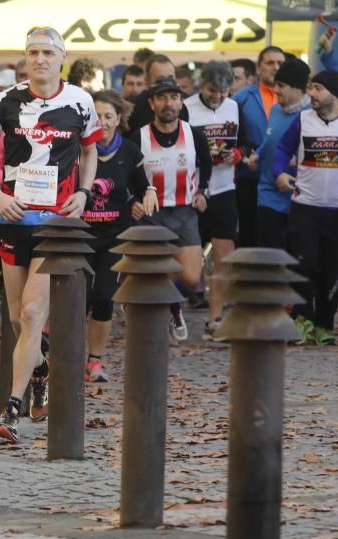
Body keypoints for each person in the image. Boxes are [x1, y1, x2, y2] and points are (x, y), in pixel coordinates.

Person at [0, 26, 101, 442]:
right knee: (15, 317)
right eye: (32, 52)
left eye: (47, 52)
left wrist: (83, 192)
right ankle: (41, 373)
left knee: (30, 314)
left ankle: (11, 411)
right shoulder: (7, 100)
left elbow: (90, 148)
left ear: (61, 57)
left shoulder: (80, 100)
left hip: (54, 224)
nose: (39, 58)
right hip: (13, 217)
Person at [274, 70, 338, 346]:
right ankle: (302, 320)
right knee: (305, 266)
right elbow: (282, 150)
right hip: (305, 207)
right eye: (310, 88)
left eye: (317, 88)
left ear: (334, 92)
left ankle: (324, 324)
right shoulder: (303, 119)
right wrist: (280, 174)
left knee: (333, 269)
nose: (311, 94)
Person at [136, 76, 212, 343]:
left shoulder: (195, 134)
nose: (169, 103)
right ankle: (171, 311)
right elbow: (128, 172)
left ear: (181, 103)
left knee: (191, 279)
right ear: (152, 103)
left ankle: (173, 304)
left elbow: (207, 164)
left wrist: (204, 191)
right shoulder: (140, 137)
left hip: (185, 212)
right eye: (162, 98)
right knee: (160, 270)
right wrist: (133, 201)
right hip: (151, 214)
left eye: (174, 97)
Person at [83, 90, 148, 382]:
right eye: (96, 116)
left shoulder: (130, 151)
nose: (102, 122)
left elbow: (142, 185)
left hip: (114, 236)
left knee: (104, 297)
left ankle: (94, 360)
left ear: (118, 119)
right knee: (76, 298)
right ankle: (62, 356)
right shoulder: (78, 148)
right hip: (80, 235)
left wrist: (141, 199)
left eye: (108, 116)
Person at [184, 61, 248, 340]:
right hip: (191, 192)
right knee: (190, 264)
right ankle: (174, 311)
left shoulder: (234, 107)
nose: (218, 96)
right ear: (202, 84)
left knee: (224, 257)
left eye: (223, 91)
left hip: (224, 190)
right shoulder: (186, 107)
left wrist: (238, 154)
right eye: (212, 90)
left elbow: (245, 143)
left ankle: (215, 318)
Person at [248, 58, 310, 251]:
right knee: (268, 257)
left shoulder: (312, 115)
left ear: (297, 88)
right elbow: (270, 138)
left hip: (298, 199)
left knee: (294, 260)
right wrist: (258, 154)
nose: (275, 90)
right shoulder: (275, 110)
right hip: (267, 194)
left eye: (281, 86)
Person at [234, 46, 285, 248]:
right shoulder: (241, 98)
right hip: (249, 178)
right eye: (270, 63)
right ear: (258, 67)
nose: (275, 67)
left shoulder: (293, 100)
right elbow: (234, 137)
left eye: (280, 63)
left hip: (282, 180)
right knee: (249, 235)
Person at [127, 54, 189, 137]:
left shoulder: (188, 103)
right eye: (160, 79)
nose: (167, 83)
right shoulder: (131, 108)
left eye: (170, 78)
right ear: (147, 80)